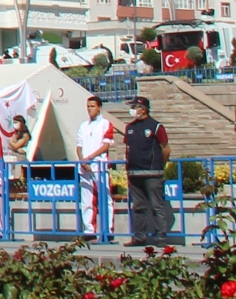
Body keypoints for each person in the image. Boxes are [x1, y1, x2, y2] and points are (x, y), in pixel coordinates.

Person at [122, 96, 175, 245]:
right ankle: (139, 238)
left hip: (152, 173)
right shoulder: (129, 127)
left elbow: (165, 148)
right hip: (134, 173)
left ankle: (161, 237)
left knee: (156, 206)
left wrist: (159, 166)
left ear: (143, 109)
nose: (132, 110)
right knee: (138, 206)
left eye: (134, 107)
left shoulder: (156, 126)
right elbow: (128, 148)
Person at [72, 101, 123, 242]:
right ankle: (89, 230)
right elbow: (78, 146)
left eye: (92, 106)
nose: (89, 109)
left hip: (99, 166)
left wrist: (90, 158)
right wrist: (83, 160)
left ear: (99, 107)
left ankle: (108, 230)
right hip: (85, 167)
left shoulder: (105, 123)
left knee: (105, 198)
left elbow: (106, 145)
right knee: (86, 199)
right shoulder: (83, 125)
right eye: (88, 106)